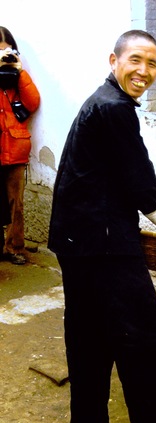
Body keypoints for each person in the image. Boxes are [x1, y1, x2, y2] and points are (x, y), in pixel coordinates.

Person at [48, 30, 156, 423]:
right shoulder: (114, 109)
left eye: (153, 63)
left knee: (88, 339)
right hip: (104, 246)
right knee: (144, 341)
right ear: (113, 60)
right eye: (136, 59)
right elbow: (139, 180)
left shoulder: (100, 102)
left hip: (75, 241)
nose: (145, 71)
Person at [0, 26, 40, 265]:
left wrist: (19, 71)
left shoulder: (16, 76)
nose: (3, 56)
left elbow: (33, 102)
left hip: (14, 146)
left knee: (16, 202)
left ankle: (14, 247)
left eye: (7, 51)